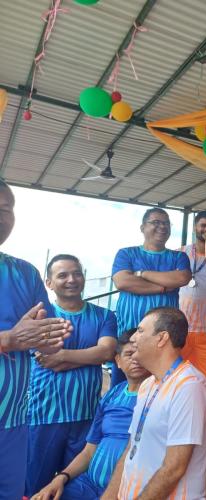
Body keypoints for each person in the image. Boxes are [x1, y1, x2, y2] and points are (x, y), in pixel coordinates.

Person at [0, 179, 72, 499]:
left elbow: (44, 335)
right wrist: (9, 339)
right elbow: (16, 339)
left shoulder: (25, 273)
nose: (2, 216)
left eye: (7, 209)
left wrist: (48, 339)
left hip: (13, 421)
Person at [25, 255, 118, 496]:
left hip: (86, 416)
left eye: (76, 273)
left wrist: (63, 355)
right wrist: (89, 356)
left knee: (76, 487)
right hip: (44, 415)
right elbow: (47, 360)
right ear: (49, 283)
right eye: (62, 275)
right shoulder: (39, 317)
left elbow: (107, 352)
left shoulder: (104, 316)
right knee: (36, 487)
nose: (71, 279)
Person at [102, 307, 206, 499]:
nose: (133, 338)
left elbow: (174, 468)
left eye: (140, 331)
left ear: (162, 338)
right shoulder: (147, 384)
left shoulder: (190, 385)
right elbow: (131, 450)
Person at [31, 329, 150, 500]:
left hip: (125, 491)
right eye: (129, 354)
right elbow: (89, 450)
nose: (135, 359)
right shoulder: (112, 395)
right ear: (118, 361)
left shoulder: (157, 395)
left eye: (140, 353)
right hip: (87, 485)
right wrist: (61, 478)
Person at [111, 208, 191, 385]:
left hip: (164, 339)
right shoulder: (126, 253)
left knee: (162, 387)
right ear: (142, 227)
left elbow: (182, 278)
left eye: (166, 223)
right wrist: (163, 287)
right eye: (156, 222)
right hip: (129, 336)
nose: (162, 227)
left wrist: (142, 273)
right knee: (125, 387)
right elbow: (123, 281)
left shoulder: (179, 256)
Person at [179, 210, 206, 384]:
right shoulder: (181, 253)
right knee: (177, 377)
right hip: (181, 330)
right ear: (195, 227)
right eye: (203, 225)